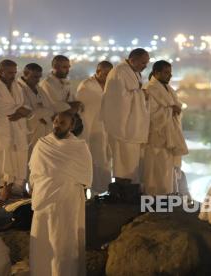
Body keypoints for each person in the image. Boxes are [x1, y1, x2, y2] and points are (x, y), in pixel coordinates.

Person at [29, 111, 92, 276]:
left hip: (66, 199)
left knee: (63, 243)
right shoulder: (42, 144)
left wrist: (61, 174)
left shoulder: (79, 146)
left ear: (71, 126)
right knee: (43, 243)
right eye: (56, 121)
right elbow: (34, 172)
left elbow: (85, 175)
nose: (57, 125)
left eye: (62, 123)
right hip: (43, 197)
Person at [0, 59, 31, 207]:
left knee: (15, 159)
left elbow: (26, 106)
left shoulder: (17, 87)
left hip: (17, 129)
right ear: (1, 71)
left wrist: (21, 111)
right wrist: (19, 110)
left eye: (15, 72)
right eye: (10, 73)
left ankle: (7, 190)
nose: (13, 75)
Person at [101, 48, 150, 185]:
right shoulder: (120, 72)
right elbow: (119, 99)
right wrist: (141, 95)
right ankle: (123, 191)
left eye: (146, 63)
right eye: (142, 63)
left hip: (132, 125)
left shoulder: (134, 72)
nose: (145, 66)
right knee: (124, 162)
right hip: (123, 126)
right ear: (132, 60)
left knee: (131, 161)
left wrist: (139, 94)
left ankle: (131, 189)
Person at [142, 60, 188, 195]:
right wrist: (170, 110)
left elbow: (176, 107)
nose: (170, 76)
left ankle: (167, 194)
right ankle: (155, 195)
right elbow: (150, 113)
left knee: (168, 168)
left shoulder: (169, 89)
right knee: (156, 168)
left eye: (170, 73)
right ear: (156, 73)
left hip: (170, 136)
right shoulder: (150, 89)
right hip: (157, 136)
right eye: (166, 73)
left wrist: (175, 109)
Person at [75, 61, 113, 195]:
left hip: (105, 130)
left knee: (104, 160)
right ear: (98, 72)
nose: (108, 77)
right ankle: (90, 190)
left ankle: (103, 191)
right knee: (92, 160)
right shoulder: (87, 86)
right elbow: (84, 110)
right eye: (105, 74)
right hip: (90, 131)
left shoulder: (110, 86)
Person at [18, 63, 56, 153]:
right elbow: (25, 110)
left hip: (44, 130)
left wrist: (45, 116)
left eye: (39, 77)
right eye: (34, 77)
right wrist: (39, 115)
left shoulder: (39, 89)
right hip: (28, 131)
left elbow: (49, 108)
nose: (38, 80)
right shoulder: (18, 88)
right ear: (25, 74)